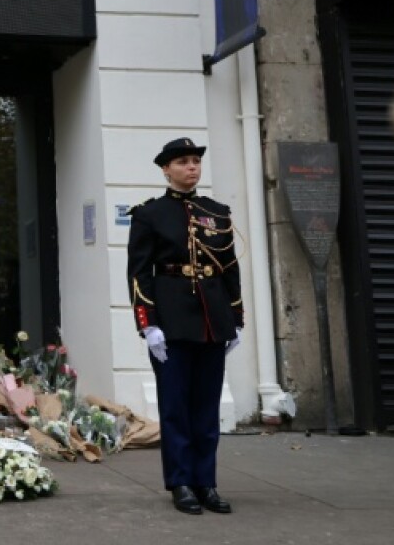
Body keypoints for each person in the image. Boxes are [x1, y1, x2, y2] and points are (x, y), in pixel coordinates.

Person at [127, 137, 242, 516]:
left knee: (206, 408)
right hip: (171, 319)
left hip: (212, 318)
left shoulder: (217, 211)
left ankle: (205, 482)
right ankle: (180, 482)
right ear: (166, 169)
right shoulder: (149, 213)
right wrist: (148, 324)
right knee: (176, 406)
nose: (192, 168)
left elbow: (229, 268)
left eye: (196, 161)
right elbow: (139, 272)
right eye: (183, 162)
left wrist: (236, 318)